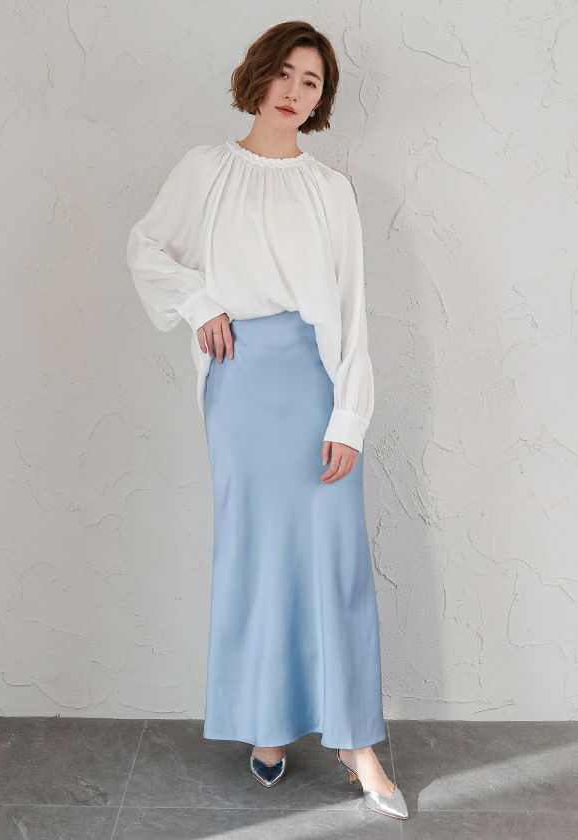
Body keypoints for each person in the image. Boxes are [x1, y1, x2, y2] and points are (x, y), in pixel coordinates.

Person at [125, 20, 408, 821]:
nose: (293, 90)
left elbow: (350, 308)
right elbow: (148, 248)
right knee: (258, 554)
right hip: (241, 382)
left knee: (336, 557)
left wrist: (350, 414)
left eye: (310, 81)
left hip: (315, 380)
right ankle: (267, 724)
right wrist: (200, 303)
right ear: (259, 75)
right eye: (285, 72)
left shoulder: (329, 190)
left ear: (322, 100)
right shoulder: (205, 169)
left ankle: (356, 743)